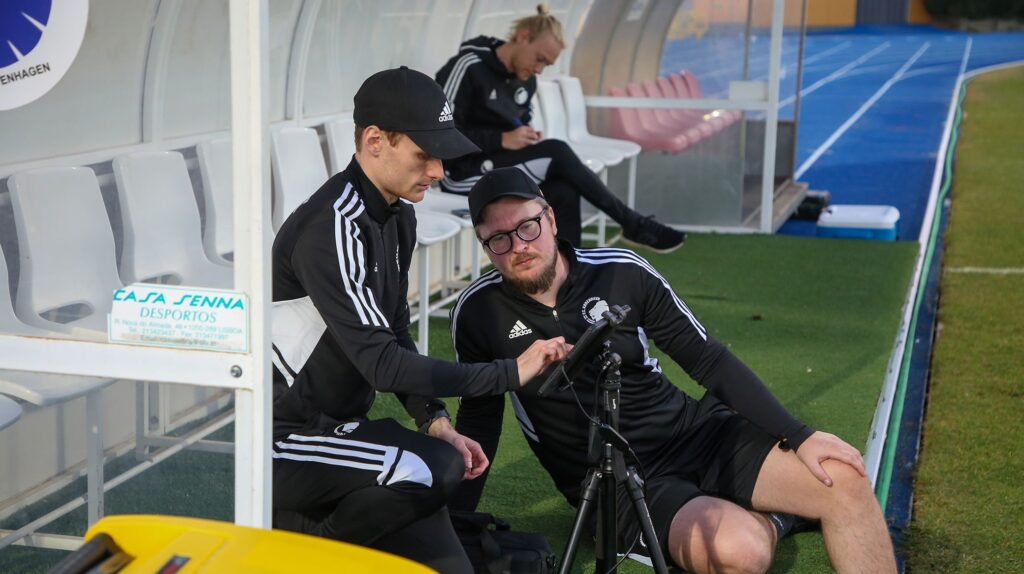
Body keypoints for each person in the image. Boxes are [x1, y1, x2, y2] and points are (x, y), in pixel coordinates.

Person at [448, 167, 898, 573]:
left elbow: (708, 359)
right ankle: (773, 517)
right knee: (741, 552)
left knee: (846, 480)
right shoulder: (478, 312)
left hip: (694, 433)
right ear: (485, 246)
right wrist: (456, 526)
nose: (519, 246)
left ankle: (759, 501)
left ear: (551, 218)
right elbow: (480, 418)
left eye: (528, 226)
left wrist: (798, 435)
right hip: (618, 483)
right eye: (499, 239)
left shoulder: (622, 272)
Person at [270, 68, 569, 573]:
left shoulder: (397, 213)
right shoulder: (330, 228)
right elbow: (383, 366)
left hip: (345, 429)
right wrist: (508, 374)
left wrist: (434, 420)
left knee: (447, 502)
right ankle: (304, 549)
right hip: (289, 440)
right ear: (374, 141)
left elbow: (395, 331)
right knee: (431, 469)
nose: (437, 171)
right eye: (423, 155)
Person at [435, 5, 685, 253]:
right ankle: (632, 222)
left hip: (498, 165)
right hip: (460, 174)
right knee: (557, 151)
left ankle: (569, 280)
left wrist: (526, 136)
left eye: (547, 65)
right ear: (523, 37)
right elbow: (442, 132)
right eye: (540, 59)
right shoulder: (469, 66)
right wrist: (501, 139)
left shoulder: (526, 80)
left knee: (563, 190)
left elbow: (518, 123)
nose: (539, 70)